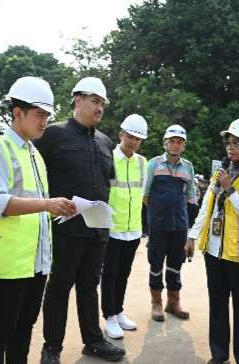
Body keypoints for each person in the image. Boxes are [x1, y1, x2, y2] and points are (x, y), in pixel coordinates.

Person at [0, 76, 75, 364]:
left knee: (24, 328)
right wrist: (47, 204)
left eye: (47, 116)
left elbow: (37, 206)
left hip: (35, 261)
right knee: (0, 329)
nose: (44, 122)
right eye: (39, 115)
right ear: (18, 113)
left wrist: (59, 209)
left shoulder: (35, 153)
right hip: (9, 263)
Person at [37, 77, 125, 363]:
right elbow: (37, 179)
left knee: (89, 286)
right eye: (94, 101)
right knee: (59, 288)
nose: (99, 108)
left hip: (97, 230)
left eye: (103, 103)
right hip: (65, 230)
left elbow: (105, 183)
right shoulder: (52, 135)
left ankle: (94, 341)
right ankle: (52, 347)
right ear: (77, 99)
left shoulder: (105, 141)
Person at [186, 117, 239, 364]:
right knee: (218, 305)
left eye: (237, 143)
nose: (230, 148)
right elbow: (206, 207)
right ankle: (219, 353)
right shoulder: (221, 173)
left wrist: (230, 190)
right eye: (229, 143)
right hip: (215, 252)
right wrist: (193, 235)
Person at [101, 114, 148, 339]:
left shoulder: (142, 162)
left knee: (124, 273)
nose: (133, 142)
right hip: (112, 228)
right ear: (121, 135)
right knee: (110, 273)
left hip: (133, 229)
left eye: (138, 139)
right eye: (130, 136)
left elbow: (141, 194)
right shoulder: (109, 158)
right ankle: (109, 316)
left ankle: (118, 311)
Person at [144, 124, 196, 322]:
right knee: (156, 263)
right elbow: (146, 195)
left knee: (176, 263)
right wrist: (156, 216)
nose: (175, 145)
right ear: (165, 143)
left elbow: (191, 196)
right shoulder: (154, 165)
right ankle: (156, 303)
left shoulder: (188, 167)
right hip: (158, 225)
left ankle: (173, 302)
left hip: (180, 226)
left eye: (179, 142)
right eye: (172, 141)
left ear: (183, 146)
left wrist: (189, 226)